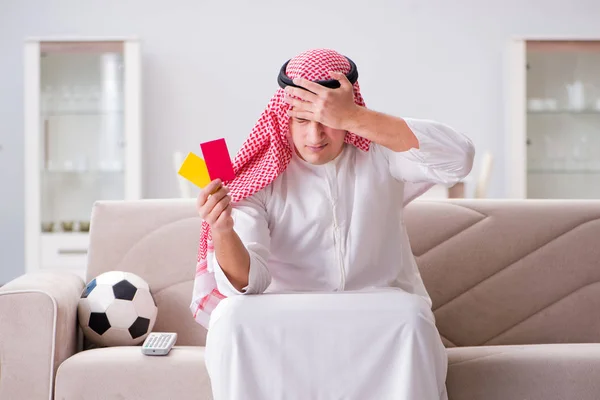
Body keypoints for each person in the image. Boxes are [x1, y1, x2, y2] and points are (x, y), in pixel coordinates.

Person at [190, 48, 475, 400]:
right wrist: (222, 230)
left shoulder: (381, 153)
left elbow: (458, 159)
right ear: (284, 118)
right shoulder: (259, 177)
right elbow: (250, 282)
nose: (315, 136)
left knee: (412, 315)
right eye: (302, 120)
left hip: (377, 319)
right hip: (285, 325)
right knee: (232, 317)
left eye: (327, 119)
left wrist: (355, 118)